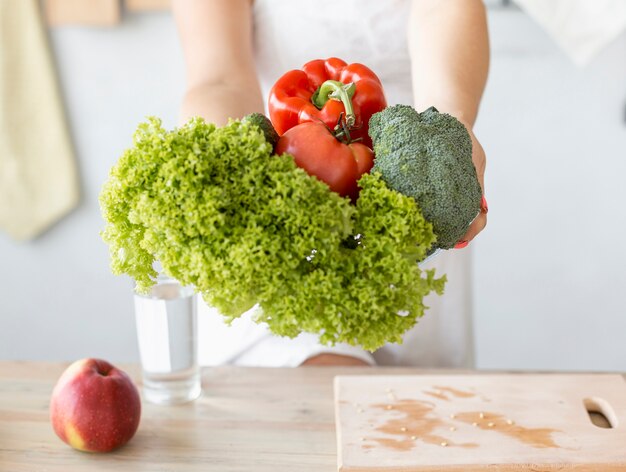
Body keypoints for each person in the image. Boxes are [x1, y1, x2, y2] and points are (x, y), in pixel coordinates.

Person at [172, 0, 489, 368]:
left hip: (412, 196)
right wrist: (235, 173)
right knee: (308, 394)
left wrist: (448, 135)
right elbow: (219, 79)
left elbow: (444, 9)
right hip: (286, 212)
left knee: (414, 412)